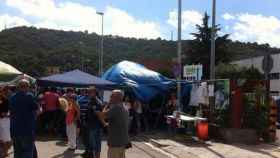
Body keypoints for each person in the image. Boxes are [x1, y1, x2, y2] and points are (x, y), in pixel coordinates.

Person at [9, 79, 39, 158]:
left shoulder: (12, 97)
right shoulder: (29, 96)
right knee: (27, 152)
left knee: (17, 152)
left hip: (15, 129)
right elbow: (37, 110)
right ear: (27, 87)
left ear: (18, 87)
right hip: (27, 129)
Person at [102, 90, 129, 158]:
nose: (110, 97)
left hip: (115, 143)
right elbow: (119, 122)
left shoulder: (115, 108)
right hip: (122, 142)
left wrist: (107, 104)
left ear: (117, 98)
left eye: (112, 96)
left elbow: (103, 115)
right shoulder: (124, 107)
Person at [85, 87, 105, 158]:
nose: (88, 94)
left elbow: (100, 115)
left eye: (90, 92)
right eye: (88, 92)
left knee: (96, 145)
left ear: (94, 93)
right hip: (91, 125)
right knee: (92, 145)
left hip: (96, 126)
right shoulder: (91, 101)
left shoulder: (97, 102)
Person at [0, 86, 11, 157]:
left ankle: (4, 152)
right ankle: (4, 152)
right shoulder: (5, 100)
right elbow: (4, 113)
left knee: (3, 138)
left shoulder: (5, 99)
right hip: (4, 120)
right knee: (6, 138)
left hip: (4, 120)